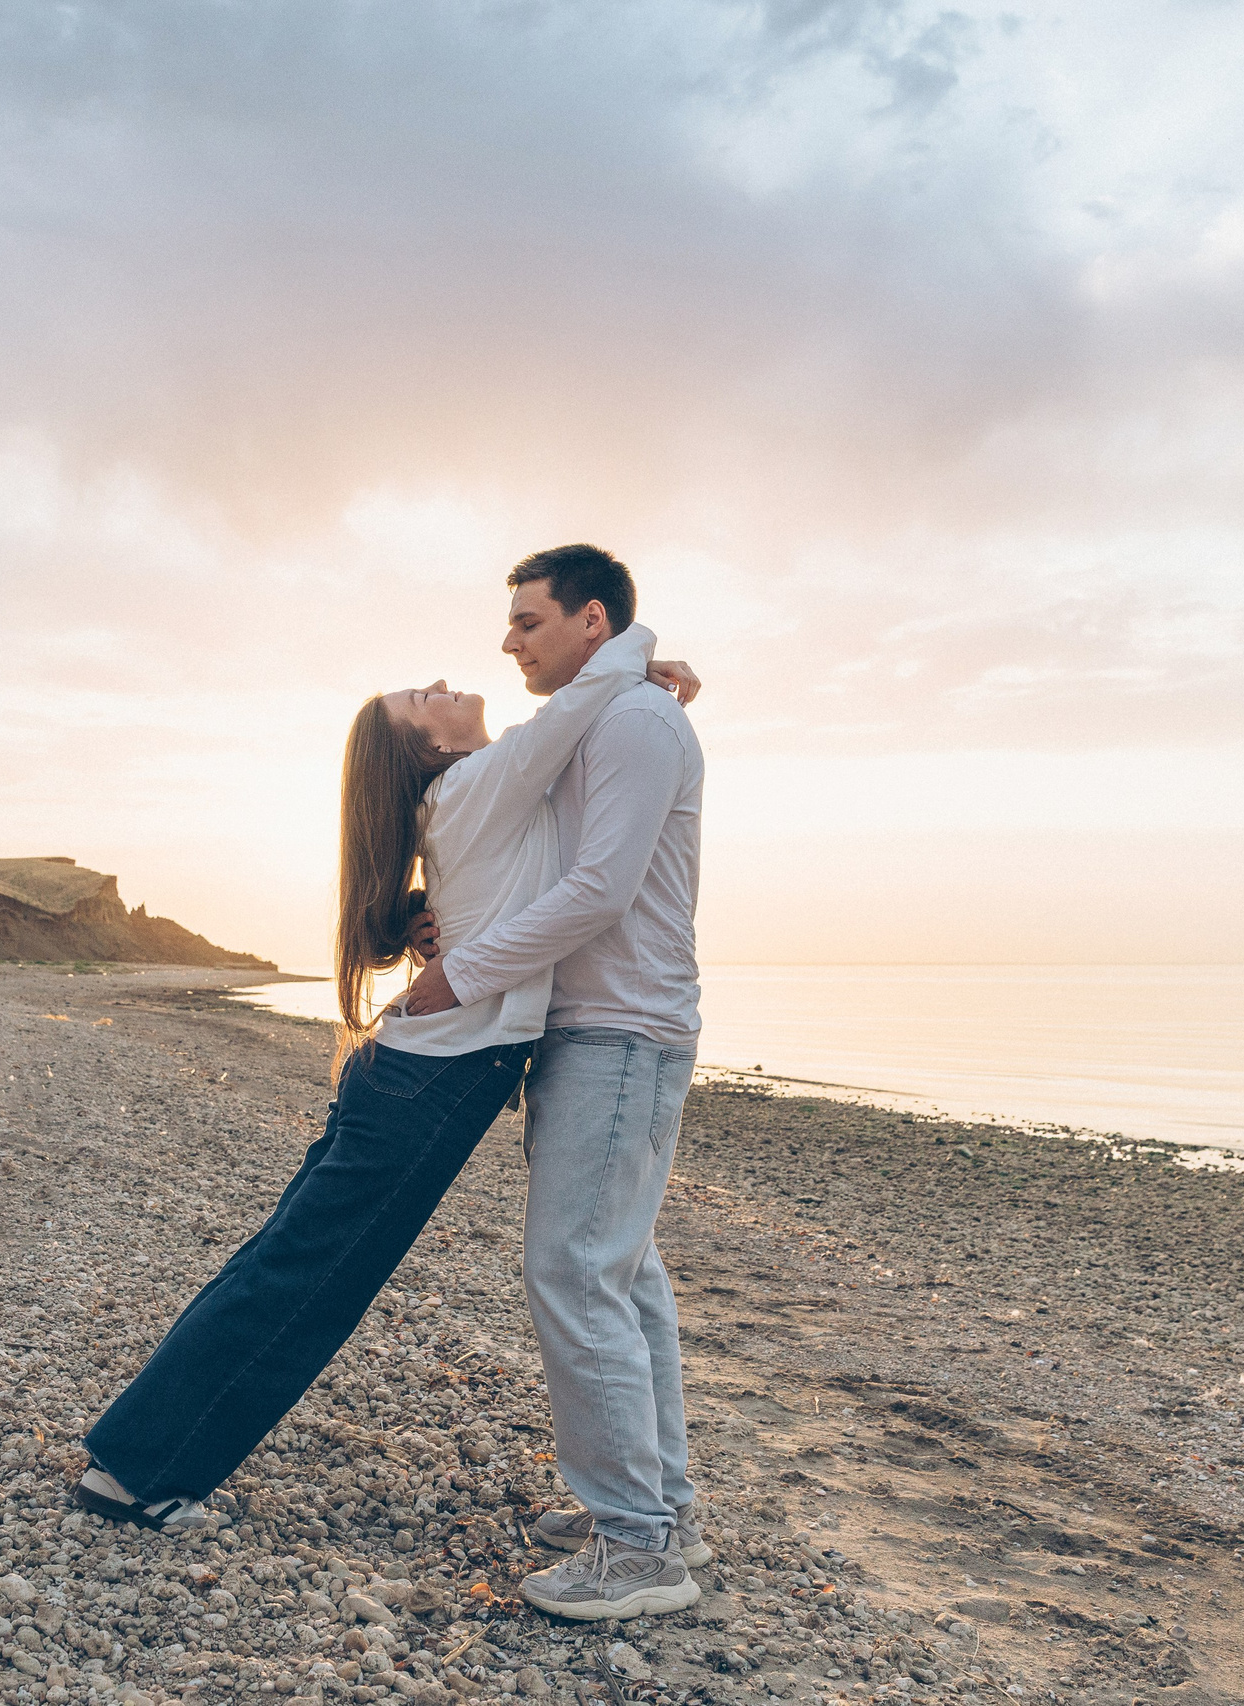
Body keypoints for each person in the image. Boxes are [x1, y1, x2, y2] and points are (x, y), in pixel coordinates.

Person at [73, 613, 700, 1535]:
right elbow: (580, 707)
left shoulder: (465, 800)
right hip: (433, 1080)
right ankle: (135, 1477)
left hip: (414, 1077)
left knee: (286, 1260)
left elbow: (568, 743)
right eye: (425, 697)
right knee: (306, 1275)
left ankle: (132, 1457)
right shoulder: (487, 776)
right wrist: (639, 647)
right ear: (432, 745)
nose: (447, 683)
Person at [401, 544, 707, 1621]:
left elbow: (599, 886)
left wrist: (460, 975)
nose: (508, 639)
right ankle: (662, 1510)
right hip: (593, 1028)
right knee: (622, 1277)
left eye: (528, 621)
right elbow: (527, 858)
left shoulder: (629, 718)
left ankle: (636, 1547)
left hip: (622, 1027)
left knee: (574, 1271)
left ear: (590, 618)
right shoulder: (605, 708)